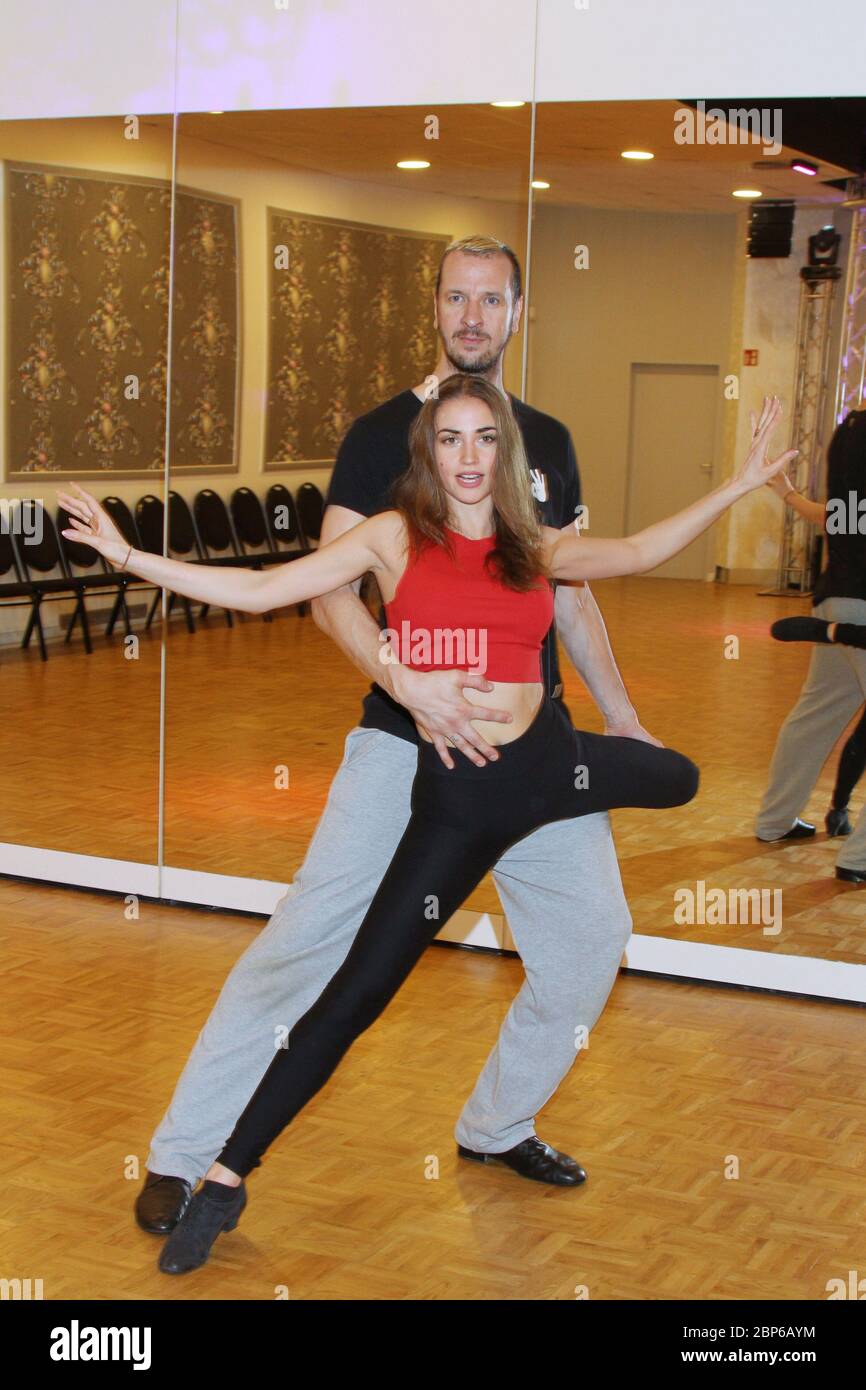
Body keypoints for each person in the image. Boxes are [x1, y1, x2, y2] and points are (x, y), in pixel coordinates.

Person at [60, 377, 794, 1273]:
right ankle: (216, 1172)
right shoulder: (394, 537)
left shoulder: (533, 541)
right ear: (428, 451)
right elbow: (265, 590)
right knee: (352, 988)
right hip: (452, 791)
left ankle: (498, 1126)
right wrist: (131, 557)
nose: (470, 456)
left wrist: (741, 483)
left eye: (486, 438)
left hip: (550, 770)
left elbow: (637, 551)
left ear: (506, 451)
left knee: (675, 784)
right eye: (451, 439)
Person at [126, 234, 664, 1234]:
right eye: (455, 298)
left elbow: (572, 595)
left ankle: (499, 1121)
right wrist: (401, 680)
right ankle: (185, 1150)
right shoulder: (382, 436)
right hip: (400, 745)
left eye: (490, 299)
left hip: (532, 749)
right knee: (304, 946)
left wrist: (618, 713)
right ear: (436, 307)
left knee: (592, 942)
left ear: (516, 312)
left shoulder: (542, 439)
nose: (471, 316)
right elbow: (330, 586)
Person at [757, 400, 866, 879]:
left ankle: (776, 821)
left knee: (816, 715)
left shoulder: (850, 430)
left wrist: (787, 494)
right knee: (816, 714)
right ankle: (859, 859)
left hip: (838, 597)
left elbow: (841, 519)